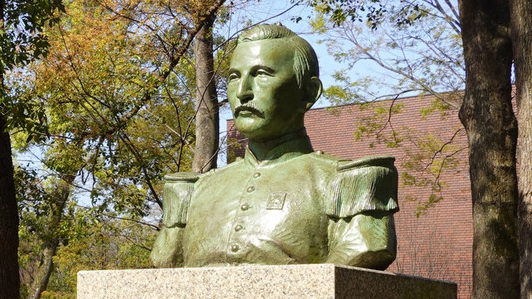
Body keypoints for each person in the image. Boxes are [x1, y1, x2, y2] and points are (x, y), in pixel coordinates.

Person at [151, 24, 398, 270]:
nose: (242, 92)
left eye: (261, 74)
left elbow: (364, 252)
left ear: (309, 92)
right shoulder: (194, 191)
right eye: (235, 77)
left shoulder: (346, 182)